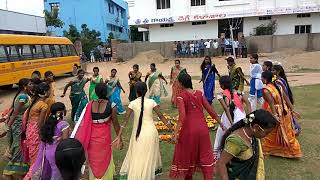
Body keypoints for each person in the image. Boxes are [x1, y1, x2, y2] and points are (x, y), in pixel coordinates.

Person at [169, 73, 224, 180]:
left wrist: (175, 133)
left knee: (185, 156)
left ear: (180, 83)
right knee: (205, 155)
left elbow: (182, 117)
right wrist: (220, 122)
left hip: (189, 130)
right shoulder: (199, 93)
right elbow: (210, 109)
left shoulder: (181, 96)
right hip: (203, 129)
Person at [116, 82, 173, 180]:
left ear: (136, 92)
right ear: (146, 91)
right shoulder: (151, 102)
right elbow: (161, 116)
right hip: (151, 133)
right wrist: (171, 129)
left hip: (138, 135)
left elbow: (124, 122)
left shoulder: (132, 104)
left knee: (138, 156)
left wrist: (119, 136)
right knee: (149, 158)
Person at [71, 83, 122, 179]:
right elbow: (116, 124)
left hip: (92, 137)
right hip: (104, 137)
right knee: (104, 156)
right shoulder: (112, 106)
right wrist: (120, 138)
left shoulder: (90, 104)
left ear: (96, 92)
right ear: (106, 92)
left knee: (93, 158)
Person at [216, 110, 278, 180]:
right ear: (256, 127)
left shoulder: (252, 135)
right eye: (267, 133)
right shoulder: (235, 141)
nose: (267, 136)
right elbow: (222, 163)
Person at [261, 71, 302, 158]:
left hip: (275, 112)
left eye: (262, 78)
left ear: (265, 79)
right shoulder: (279, 86)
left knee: (271, 131)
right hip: (285, 111)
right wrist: (292, 110)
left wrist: (275, 117)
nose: (261, 79)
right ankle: (290, 150)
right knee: (286, 131)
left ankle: (272, 150)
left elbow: (271, 104)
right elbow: (286, 99)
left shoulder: (266, 90)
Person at [213, 76, 250, 159]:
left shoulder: (222, 95)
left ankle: (217, 154)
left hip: (229, 117)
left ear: (222, 85)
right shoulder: (239, 92)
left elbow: (227, 109)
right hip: (241, 115)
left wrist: (231, 122)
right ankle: (240, 154)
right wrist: (249, 115)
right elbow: (248, 103)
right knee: (240, 135)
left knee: (222, 134)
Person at [31, 102, 70, 179]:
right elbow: (65, 141)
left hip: (48, 152)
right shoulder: (64, 124)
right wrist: (60, 138)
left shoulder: (48, 123)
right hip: (59, 153)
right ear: (62, 112)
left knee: (54, 172)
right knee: (57, 175)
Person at [3, 79, 32, 179]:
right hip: (18, 124)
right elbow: (15, 112)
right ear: (24, 86)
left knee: (21, 146)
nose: (31, 86)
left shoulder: (23, 94)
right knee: (18, 147)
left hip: (21, 123)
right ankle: (9, 171)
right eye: (30, 84)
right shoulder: (23, 96)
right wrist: (9, 125)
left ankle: (22, 171)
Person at [23, 82, 50, 180]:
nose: (50, 92)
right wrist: (43, 136)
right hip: (36, 133)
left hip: (30, 132)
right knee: (37, 159)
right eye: (48, 90)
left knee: (33, 157)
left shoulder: (34, 102)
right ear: (45, 92)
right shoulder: (43, 105)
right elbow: (40, 124)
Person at [272, 65, 301, 135]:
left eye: (273, 70)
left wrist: (289, 104)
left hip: (283, 103)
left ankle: (293, 130)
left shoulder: (278, 82)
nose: (271, 71)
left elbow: (284, 94)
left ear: (278, 72)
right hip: (284, 102)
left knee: (286, 118)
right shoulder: (281, 79)